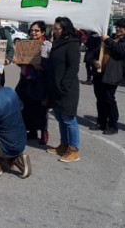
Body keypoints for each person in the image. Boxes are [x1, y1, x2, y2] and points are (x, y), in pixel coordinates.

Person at [90, 18, 125, 135]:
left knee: (109, 99)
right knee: (100, 98)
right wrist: (95, 62)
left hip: (113, 74)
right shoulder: (112, 38)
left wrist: (108, 40)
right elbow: (94, 53)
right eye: (118, 26)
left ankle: (113, 125)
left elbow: (120, 51)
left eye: (122, 27)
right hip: (100, 72)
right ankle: (101, 122)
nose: (119, 29)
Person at [46, 17, 81, 163]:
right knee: (60, 117)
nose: (54, 31)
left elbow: (73, 68)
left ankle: (74, 150)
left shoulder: (72, 45)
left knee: (69, 119)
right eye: (53, 28)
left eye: (57, 29)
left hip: (67, 89)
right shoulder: (57, 43)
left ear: (65, 29)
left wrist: (64, 86)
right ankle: (64, 145)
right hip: (56, 87)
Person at [15, 20, 52, 145]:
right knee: (26, 107)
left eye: (36, 30)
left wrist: (41, 65)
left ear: (42, 32)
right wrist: (18, 61)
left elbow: (51, 65)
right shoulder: (25, 44)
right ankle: (32, 131)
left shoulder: (47, 45)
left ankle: (43, 132)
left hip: (39, 80)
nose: (33, 33)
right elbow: (21, 63)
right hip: (25, 79)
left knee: (40, 108)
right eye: (31, 30)